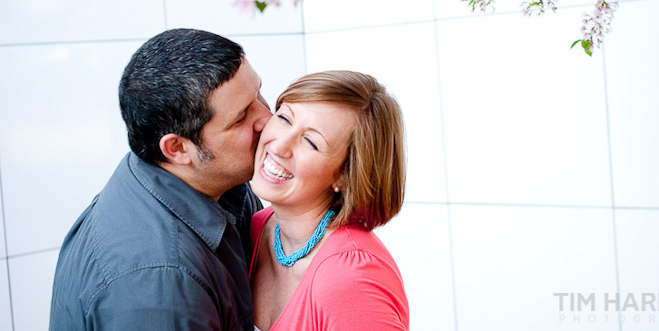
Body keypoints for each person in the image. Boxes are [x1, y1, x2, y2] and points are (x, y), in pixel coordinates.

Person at [50, 28, 272, 330]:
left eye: (258, 92)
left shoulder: (219, 178)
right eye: (241, 116)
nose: (268, 118)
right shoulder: (161, 284)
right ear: (178, 148)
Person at [248, 70, 409, 331]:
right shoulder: (256, 228)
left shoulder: (353, 276)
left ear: (346, 175)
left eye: (311, 142)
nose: (278, 146)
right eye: (284, 118)